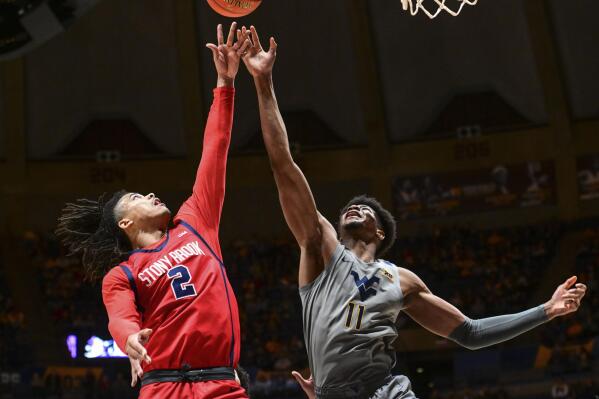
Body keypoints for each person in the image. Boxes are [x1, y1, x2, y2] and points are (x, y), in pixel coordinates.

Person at [239, 25, 588, 399]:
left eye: (368, 210)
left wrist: (546, 310)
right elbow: (283, 165)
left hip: (386, 391)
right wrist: (263, 82)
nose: (355, 207)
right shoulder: (319, 247)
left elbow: (469, 333)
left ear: (380, 233)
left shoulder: (401, 280)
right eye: (350, 207)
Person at [56, 23, 252, 399]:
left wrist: (225, 84)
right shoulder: (122, 274)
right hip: (162, 385)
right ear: (125, 222)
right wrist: (128, 338)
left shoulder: (196, 222)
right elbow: (120, 317)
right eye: (135, 197)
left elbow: (216, 149)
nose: (149, 193)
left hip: (221, 382)